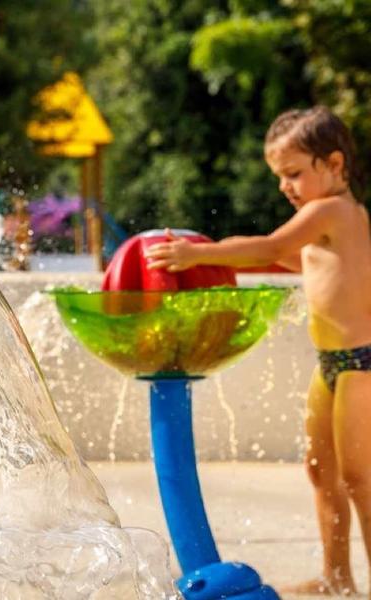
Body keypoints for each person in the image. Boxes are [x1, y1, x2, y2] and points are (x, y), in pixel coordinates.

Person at [146, 105, 370, 596]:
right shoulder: (324, 222)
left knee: (358, 478)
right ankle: (337, 579)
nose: (284, 187)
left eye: (293, 173)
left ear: (333, 165)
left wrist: (198, 254)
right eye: (279, 177)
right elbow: (293, 261)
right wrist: (219, 265)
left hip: (361, 366)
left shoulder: (331, 209)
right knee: (321, 473)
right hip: (331, 366)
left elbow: (269, 248)